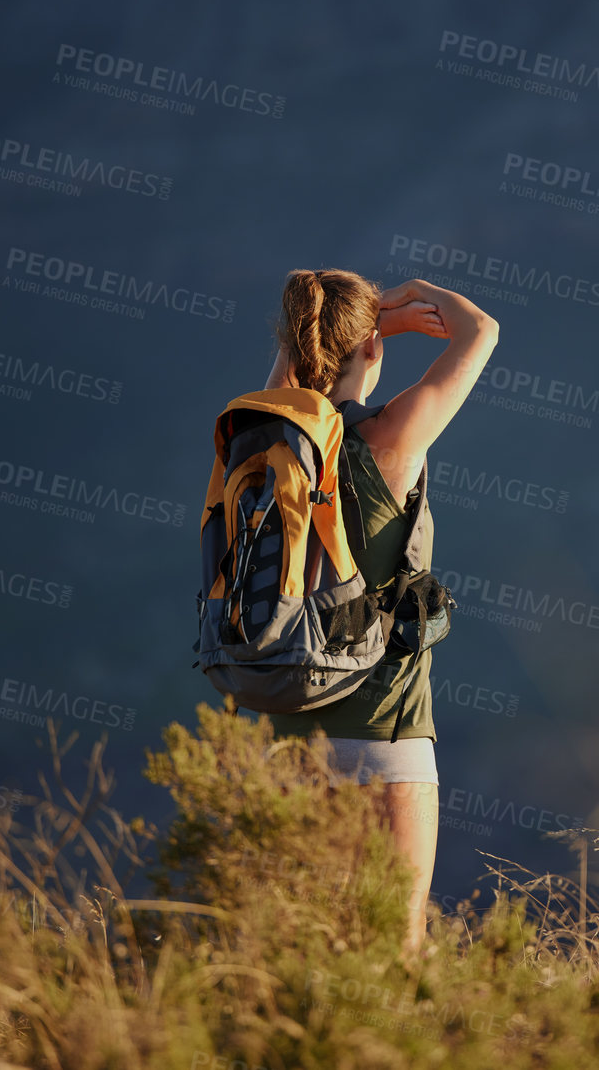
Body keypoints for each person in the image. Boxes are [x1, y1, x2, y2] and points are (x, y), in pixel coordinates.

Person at [262, 268, 499, 958]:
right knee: (394, 950)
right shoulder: (388, 441)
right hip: (381, 735)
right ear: (372, 349)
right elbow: (480, 331)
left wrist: (358, 332)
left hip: (285, 735)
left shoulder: (273, 438)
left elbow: (292, 377)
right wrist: (416, 295)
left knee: (304, 952)